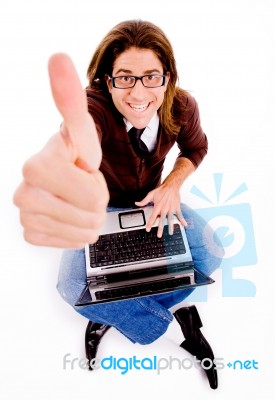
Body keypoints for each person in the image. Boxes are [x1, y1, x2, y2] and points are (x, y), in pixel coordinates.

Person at [13, 20, 224, 389]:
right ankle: (173, 321)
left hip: (152, 203)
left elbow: (196, 148)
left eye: (151, 77)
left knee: (210, 256)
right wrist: (65, 162)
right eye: (125, 77)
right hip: (102, 210)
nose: (139, 92)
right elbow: (78, 135)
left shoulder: (183, 106)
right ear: (107, 81)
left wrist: (172, 185)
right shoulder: (94, 109)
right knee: (73, 287)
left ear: (168, 78)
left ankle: (119, 310)